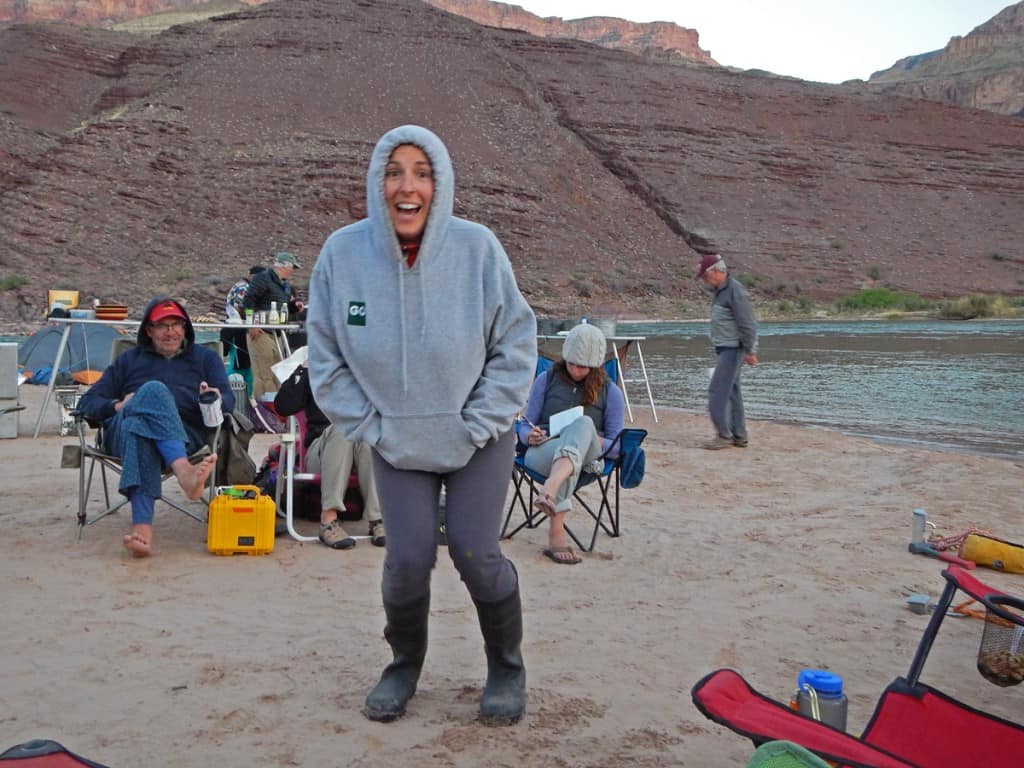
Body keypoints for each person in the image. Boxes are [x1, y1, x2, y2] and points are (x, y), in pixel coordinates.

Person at [306, 125, 536, 725]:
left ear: (442, 184)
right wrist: (373, 428)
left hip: (477, 434)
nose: (407, 187)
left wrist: (480, 421)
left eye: (422, 172)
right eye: (394, 172)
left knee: (474, 551)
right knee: (406, 559)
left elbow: (515, 342)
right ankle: (404, 665)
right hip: (394, 438)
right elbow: (326, 358)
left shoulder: (478, 249)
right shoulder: (343, 255)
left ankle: (506, 667)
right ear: (376, 182)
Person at [77, 297, 229, 557]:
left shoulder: (206, 359)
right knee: (152, 391)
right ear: (149, 330)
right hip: (120, 436)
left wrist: (214, 397)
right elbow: (87, 403)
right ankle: (184, 471)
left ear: (186, 327)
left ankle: (143, 529)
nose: (171, 332)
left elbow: (229, 402)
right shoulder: (129, 360)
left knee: (140, 427)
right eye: (162, 325)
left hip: (185, 434)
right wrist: (116, 406)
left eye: (177, 324)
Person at [517, 323, 625, 565]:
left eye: (582, 366)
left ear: (595, 365)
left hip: (588, 456)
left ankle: (550, 493)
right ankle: (554, 511)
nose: (575, 370)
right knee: (569, 458)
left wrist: (591, 438)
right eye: (571, 363)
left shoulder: (611, 392)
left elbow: (617, 446)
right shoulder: (546, 380)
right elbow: (525, 424)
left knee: (584, 424)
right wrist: (529, 436)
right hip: (543, 451)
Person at [273, 355, 385, 550]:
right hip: (320, 451)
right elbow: (283, 406)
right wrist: (304, 369)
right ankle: (329, 520)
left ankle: (378, 520)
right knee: (342, 429)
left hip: (359, 453)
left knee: (368, 436)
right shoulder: (315, 370)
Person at [696, 253, 758, 449]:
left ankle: (724, 435)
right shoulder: (721, 291)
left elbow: (747, 323)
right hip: (726, 348)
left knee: (717, 391)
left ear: (716, 271)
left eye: (706, 276)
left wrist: (750, 350)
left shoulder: (734, 291)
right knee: (732, 391)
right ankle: (739, 435)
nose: (705, 280)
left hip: (733, 349)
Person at [243, 252, 304, 399]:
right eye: (292, 267)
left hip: (277, 333)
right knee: (264, 372)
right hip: (261, 331)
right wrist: (252, 324)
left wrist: (294, 306)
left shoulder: (285, 285)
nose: (293, 271)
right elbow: (248, 300)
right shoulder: (262, 278)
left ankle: (276, 406)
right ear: (285, 266)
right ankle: (265, 405)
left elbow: (281, 307)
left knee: (277, 371)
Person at [220, 265, 265, 386]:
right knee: (237, 365)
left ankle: (247, 396)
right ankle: (227, 390)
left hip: (243, 328)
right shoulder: (243, 288)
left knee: (247, 366)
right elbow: (239, 308)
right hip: (237, 329)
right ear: (253, 276)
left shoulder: (248, 287)